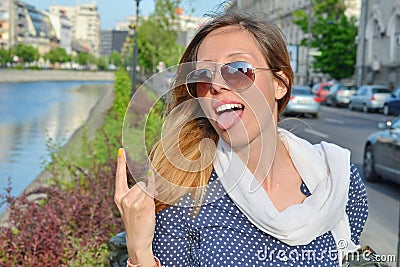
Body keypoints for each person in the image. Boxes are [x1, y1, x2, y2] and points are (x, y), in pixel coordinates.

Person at [115, 11, 368, 267]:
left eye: (238, 69)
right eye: (203, 75)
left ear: (280, 83)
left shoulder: (339, 180)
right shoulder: (184, 194)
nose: (215, 85)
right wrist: (139, 252)